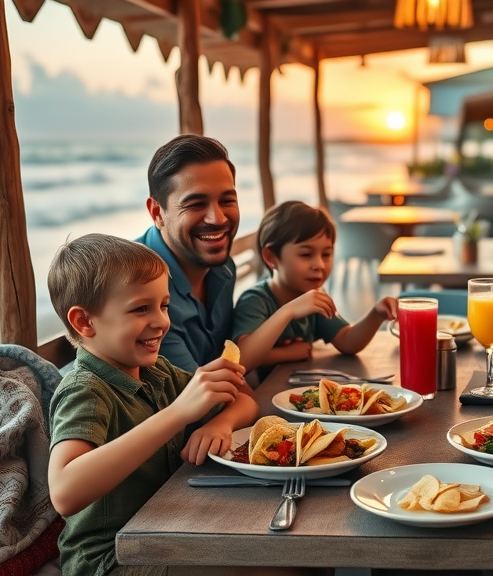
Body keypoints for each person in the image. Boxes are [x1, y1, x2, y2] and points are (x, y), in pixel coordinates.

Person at [46, 233, 258, 576]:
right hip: (112, 558)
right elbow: (65, 491)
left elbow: (245, 403)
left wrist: (217, 423)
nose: (161, 321)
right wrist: (178, 414)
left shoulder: (155, 371)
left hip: (165, 530)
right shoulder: (86, 390)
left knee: (291, 557)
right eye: (141, 308)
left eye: (164, 305)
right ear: (85, 322)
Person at [231, 200, 397, 377]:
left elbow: (347, 342)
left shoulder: (313, 299)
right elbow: (240, 360)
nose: (319, 264)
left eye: (326, 254)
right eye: (306, 254)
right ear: (271, 257)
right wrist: (289, 315)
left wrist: (376, 314)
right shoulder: (255, 301)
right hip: (259, 398)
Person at [136, 134, 240, 374]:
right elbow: (199, 395)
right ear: (157, 213)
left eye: (227, 200)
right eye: (195, 204)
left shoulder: (224, 268)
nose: (218, 219)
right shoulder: (136, 286)